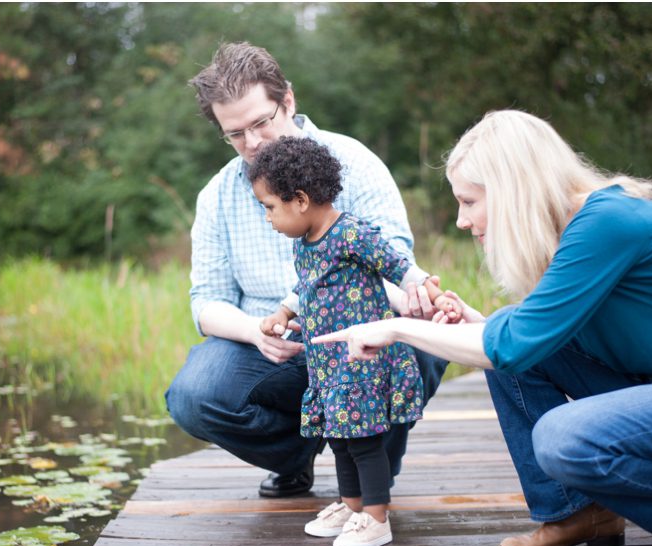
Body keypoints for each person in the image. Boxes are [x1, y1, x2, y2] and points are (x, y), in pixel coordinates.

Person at [313, 110, 652, 546]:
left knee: (563, 439)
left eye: (470, 201)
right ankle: (578, 513)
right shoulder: (585, 224)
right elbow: (527, 337)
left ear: (513, 188)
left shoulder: (611, 222)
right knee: (505, 347)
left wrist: (394, 327)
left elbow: (513, 343)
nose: (461, 219)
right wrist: (474, 326)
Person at [165, 42, 448, 498]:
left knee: (423, 339)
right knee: (193, 395)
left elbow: (395, 263)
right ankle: (299, 455)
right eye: (235, 133)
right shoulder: (216, 196)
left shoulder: (355, 163)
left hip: (357, 335)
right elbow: (207, 303)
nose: (252, 143)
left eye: (261, 122)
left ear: (288, 101)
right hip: (274, 350)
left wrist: (416, 305)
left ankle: (372, 480)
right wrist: (257, 331)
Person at [250, 136, 451, 546]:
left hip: (362, 360)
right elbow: (305, 287)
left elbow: (399, 266)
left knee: (362, 440)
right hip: (328, 363)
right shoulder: (303, 243)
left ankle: (376, 518)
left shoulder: (351, 234)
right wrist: (284, 313)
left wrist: (432, 294)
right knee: (340, 439)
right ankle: (352, 504)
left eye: (270, 206)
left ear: (300, 200)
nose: (268, 217)